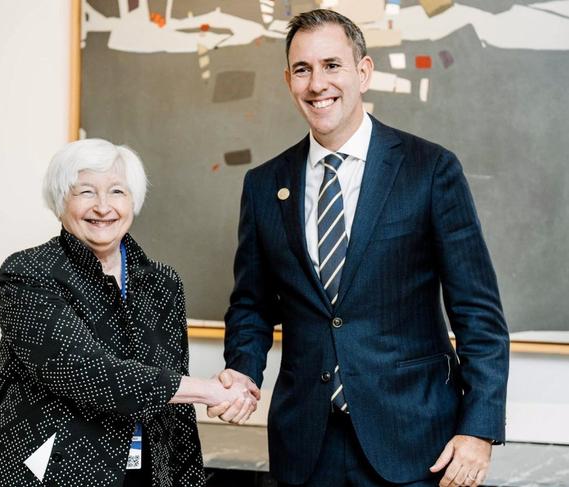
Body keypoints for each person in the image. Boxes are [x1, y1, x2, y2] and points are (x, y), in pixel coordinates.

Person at [211, 9, 509, 487]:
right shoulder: (264, 184)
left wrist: (479, 428)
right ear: (288, 80)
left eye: (332, 65)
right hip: (306, 447)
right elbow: (251, 304)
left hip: (415, 442)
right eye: (303, 69)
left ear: (363, 72)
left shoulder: (429, 169)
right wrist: (242, 372)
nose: (317, 84)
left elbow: (478, 312)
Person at [0, 138, 257, 487]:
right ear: (61, 201)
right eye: (86, 192)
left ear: (133, 201)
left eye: (117, 191)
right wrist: (211, 391)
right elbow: (85, 371)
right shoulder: (29, 274)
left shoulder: (162, 284)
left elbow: (175, 410)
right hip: (48, 474)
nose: (103, 207)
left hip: (144, 475)